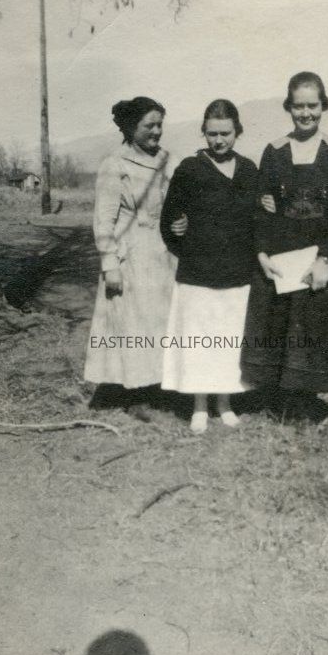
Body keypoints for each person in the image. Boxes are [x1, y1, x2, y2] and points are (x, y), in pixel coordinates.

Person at [241, 72, 328, 417]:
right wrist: (262, 251)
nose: (305, 113)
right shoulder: (274, 151)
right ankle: (278, 400)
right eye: (298, 106)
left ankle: (306, 403)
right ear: (288, 107)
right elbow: (261, 207)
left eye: (312, 105)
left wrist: (325, 259)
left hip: (321, 253)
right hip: (282, 254)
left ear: (323, 106)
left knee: (316, 327)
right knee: (280, 326)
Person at [160, 99, 260, 433]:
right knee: (200, 342)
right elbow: (169, 219)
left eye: (225, 133)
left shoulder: (248, 170)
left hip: (238, 273)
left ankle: (225, 403)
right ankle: (199, 406)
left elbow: (258, 216)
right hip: (198, 274)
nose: (219, 141)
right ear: (203, 132)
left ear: (237, 132)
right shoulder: (189, 169)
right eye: (212, 134)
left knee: (229, 341)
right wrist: (182, 238)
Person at [84, 96, 186, 420]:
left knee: (161, 322)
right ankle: (136, 395)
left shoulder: (169, 161)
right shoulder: (115, 164)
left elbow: (179, 204)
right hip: (131, 255)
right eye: (148, 126)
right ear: (130, 127)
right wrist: (110, 263)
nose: (156, 132)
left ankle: (161, 387)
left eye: (160, 125)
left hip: (164, 253)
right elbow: (104, 220)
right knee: (134, 325)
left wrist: (182, 222)